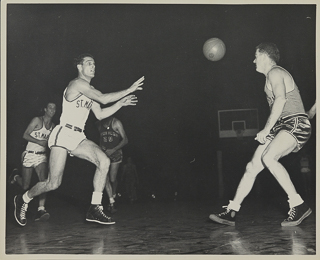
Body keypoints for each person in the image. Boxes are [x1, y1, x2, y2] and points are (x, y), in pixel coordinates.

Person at [14, 53, 144, 226]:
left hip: (78, 136)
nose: (93, 66)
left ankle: (95, 207)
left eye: (94, 63)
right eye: (89, 63)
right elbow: (103, 97)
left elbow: (100, 113)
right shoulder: (77, 84)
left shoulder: (89, 91)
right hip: (63, 133)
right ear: (79, 67)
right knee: (53, 183)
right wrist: (128, 90)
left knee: (104, 161)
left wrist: (120, 104)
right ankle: (23, 199)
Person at [209, 43, 312, 227]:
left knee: (269, 158)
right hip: (284, 125)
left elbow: (281, 100)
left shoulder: (275, 72)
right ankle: (232, 211)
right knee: (252, 166)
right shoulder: (268, 80)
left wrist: (266, 129)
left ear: (265, 56)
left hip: (294, 123)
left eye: (256, 56)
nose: (254, 60)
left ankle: (298, 204)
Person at [10, 102, 56, 221]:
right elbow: (25, 135)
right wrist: (39, 142)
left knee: (44, 181)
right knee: (25, 185)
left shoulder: (53, 126)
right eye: (50, 107)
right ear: (45, 109)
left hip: (42, 157)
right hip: (30, 154)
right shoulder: (37, 120)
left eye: (54, 108)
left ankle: (41, 209)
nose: (52, 110)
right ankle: (15, 177)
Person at [96, 116, 128, 213]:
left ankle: (114, 193)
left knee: (112, 179)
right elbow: (101, 138)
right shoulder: (98, 123)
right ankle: (111, 202)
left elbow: (125, 140)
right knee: (104, 177)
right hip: (105, 154)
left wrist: (113, 150)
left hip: (115, 153)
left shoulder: (116, 123)